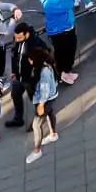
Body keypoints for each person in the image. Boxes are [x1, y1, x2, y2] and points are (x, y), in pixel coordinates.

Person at [21, 33, 60, 164]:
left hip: (45, 100)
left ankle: (37, 151)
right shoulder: (46, 65)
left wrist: (41, 104)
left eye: (30, 59)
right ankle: (53, 134)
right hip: (51, 97)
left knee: (36, 125)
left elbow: (44, 90)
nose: (29, 61)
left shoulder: (43, 72)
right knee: (50, 114)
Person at [39, 0, 82, 84]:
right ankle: (64, 73)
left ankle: (67, 70)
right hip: (60, 32)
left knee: (70, 50)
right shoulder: (50, 2)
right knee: (64, 53)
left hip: (67, 28)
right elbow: (68, 4)